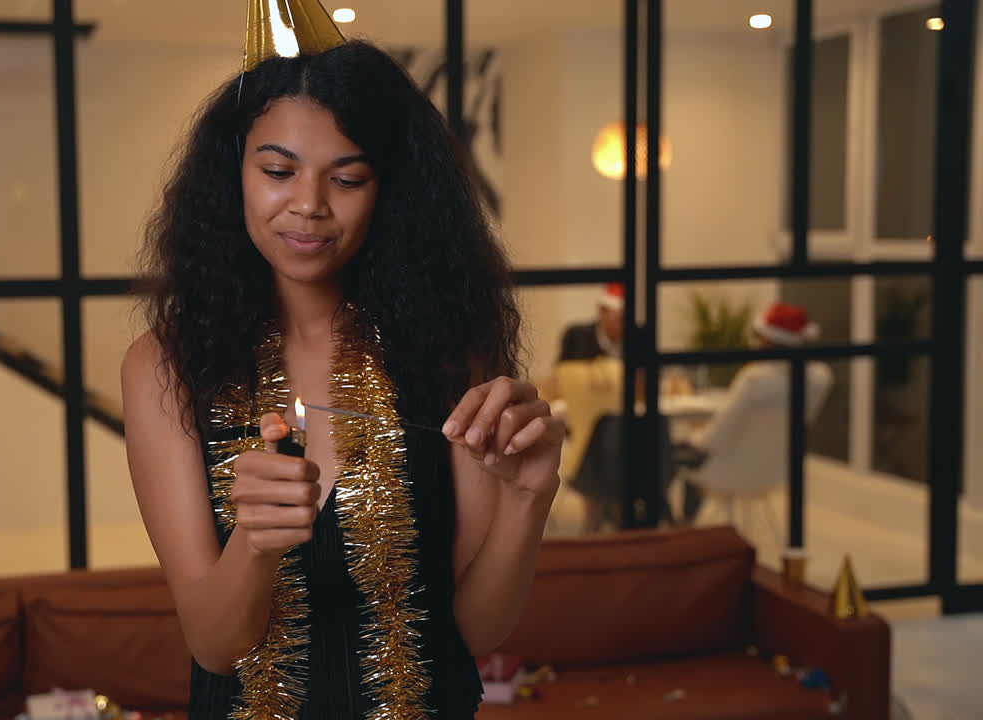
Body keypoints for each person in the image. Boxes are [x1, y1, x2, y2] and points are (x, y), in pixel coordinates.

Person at [119, 2, 565, 718]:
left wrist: (527, 498)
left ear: (388, 194)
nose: (309, 205)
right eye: (278, 170)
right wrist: (256, 545)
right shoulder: (164, 366)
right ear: (232, 175)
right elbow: (213, 644)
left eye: (347, 178)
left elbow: (475, 631)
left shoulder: (451, 355)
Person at [676, 302, 830, 523]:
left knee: (671, 451)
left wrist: (693, 438)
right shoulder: (819, 378)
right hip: (777, 468)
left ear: (768, 340)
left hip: (728, 468)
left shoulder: (754, 379)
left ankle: (679, 524)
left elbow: (717, 437)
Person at [559, 283, 625, 361]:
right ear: (602, 311)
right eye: (619, 318)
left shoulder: (635, 342)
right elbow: (562, 370)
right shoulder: (576, 337)